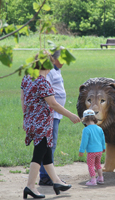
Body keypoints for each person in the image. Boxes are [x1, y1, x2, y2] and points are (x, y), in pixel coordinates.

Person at [21, 52, 81, 198]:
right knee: (38, 155)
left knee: (47, 153)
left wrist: (26, 118)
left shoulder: (27, 79)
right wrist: (71, 115)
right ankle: (30, 186)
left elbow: (23, 100)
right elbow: (53, 104)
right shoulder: (42, 82)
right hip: (42, 124)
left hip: (31, 122)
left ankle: (56, 181)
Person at [39, 48, 67, 186]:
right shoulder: (49, 72)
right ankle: (46, 176)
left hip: (57, 114)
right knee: (50, 144)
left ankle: (48, 175)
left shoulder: (56, 70)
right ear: (54, 59)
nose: (64, 62)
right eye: (62, 59)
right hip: (52, 113)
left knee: (51, 144)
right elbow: (46, 91)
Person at [78, 109, 106, 186]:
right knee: (98, 164)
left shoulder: (86, 129)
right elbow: (103, 139)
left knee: (91, 165)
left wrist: (81, 150)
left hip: (91, 152)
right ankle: (100, 178)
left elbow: (84, 142)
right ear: (94, 118)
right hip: (99, 151)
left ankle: (93, 180)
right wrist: (103, 147)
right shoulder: (99, 128)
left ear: (84, 120)